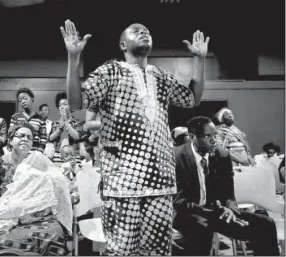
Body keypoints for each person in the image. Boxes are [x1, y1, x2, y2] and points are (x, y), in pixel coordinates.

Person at [60, 19, 209, 255]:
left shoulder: (161, 76)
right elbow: (78, 102)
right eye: (136, 31)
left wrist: (199, 60)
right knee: (122, 251)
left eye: (147, 31)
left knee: (158, 251)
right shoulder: (110, 71)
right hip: (122, 182)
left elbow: (192, 99)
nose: (143, 33)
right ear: (122, 44)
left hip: (160, 182)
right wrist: (73, 59)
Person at [173, 116, 279, 256]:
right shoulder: (176, 157)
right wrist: (213, 211)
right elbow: (178, 201)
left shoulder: (222, 154)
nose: (213, 140)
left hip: (216, 212)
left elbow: (228, 193)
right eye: (207, 136)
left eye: (214, 135)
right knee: (201, 231)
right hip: (187, 213)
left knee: (266, 224)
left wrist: (230, 210)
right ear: (192, 137)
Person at [0, 122, 72, 256]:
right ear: (10, 140)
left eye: (29, 137)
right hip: (6, 220)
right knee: (7, 241)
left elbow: (59, 186)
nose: (25, 139)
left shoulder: (40, 162)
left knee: (55, 235)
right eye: (21, 135)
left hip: (40, 219)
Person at [49, 92, 83, 167]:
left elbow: (77, 137)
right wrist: (59, 130)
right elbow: (50, 138)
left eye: (65, 104)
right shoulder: (55, 123)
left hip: (73, 154)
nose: (61, 107)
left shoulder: (77, 122)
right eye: (59, 105)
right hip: (58, 155)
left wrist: (66, 121)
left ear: (71, 106)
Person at [10, 88, 47, 153]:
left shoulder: (40, 119)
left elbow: (43, 139)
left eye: (25, 98)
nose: (23, 101)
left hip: (34, 154)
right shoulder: (15, 117)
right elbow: (11, 136)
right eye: (20, 100)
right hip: (19, 153)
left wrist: (39, 153)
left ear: (32, 98)